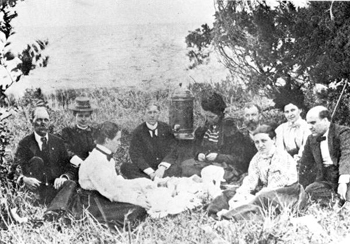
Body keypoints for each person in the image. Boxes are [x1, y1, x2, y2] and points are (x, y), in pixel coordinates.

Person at [207, 124, 298, 217]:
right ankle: (215, 212)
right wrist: (241, 194)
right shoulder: (257, 157)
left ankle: (230, 215)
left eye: (264, 141)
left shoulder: (281, 157)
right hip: (265, 190)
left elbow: (274, 187)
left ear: (273, 140)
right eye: (257, 142)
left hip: (286, 192)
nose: (260, 145)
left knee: (260, 200)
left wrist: (251, 198)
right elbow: (251, 180)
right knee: (230, 193)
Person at [181, 91, 250, 182]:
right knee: (184, 166)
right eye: (206, 116)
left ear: (220, 114)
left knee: (215, 172)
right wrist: (199, 154)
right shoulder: (205, 128)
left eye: (211, 116)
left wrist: (218, 157)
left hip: (224, 165)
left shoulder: (231, 130)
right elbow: (195, 148)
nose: (208, 119)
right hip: (205, 164)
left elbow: (239, 158)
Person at [14, 106, 75, 204]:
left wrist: (64, 177)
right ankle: (44, 204)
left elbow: (69, 167)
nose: (43, 123)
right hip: (36, 191)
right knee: (37, 160)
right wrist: (24, 179)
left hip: (55, 189)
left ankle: (53, 210)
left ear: (49, 122)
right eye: (39, 120)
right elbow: (14, 169)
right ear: (31, 121)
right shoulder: (24, 143)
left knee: (70, 184)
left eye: (46, 120)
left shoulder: (58, 142)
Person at [298, 106, 350, 206]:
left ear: (325, 120)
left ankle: (344, 204)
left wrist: (343, 182)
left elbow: (347, 156)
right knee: (311, 189)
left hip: (346, 176)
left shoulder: (344, 133)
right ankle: (336, 202)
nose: (309, 127)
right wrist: (300, 186)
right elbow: (305, 163)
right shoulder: (311, 139)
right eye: (308, 123)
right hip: (328, 180)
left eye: (313, 122)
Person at [120, 103, 180, 180]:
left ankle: (149, 180)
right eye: (149, 112)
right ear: (145, 114)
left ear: (159, 113)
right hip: (146, 169)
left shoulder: (166, 128)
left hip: (163, 169)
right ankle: (154, 179)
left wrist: (162, 168)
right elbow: (135, 155)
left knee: (177, 168)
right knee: (125, 167)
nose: (152, 115)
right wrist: (150, 172)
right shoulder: (138, 132)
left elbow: (173, 150)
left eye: (155, 112)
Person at [60, 97, 96, 169]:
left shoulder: (95, 132)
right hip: (74, 166)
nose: (83, 119)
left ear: (90, 116)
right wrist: (80, 163)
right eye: (80, 116)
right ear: (75, 115)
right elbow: (66, 150)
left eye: (86, 116)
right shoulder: (67, 132)